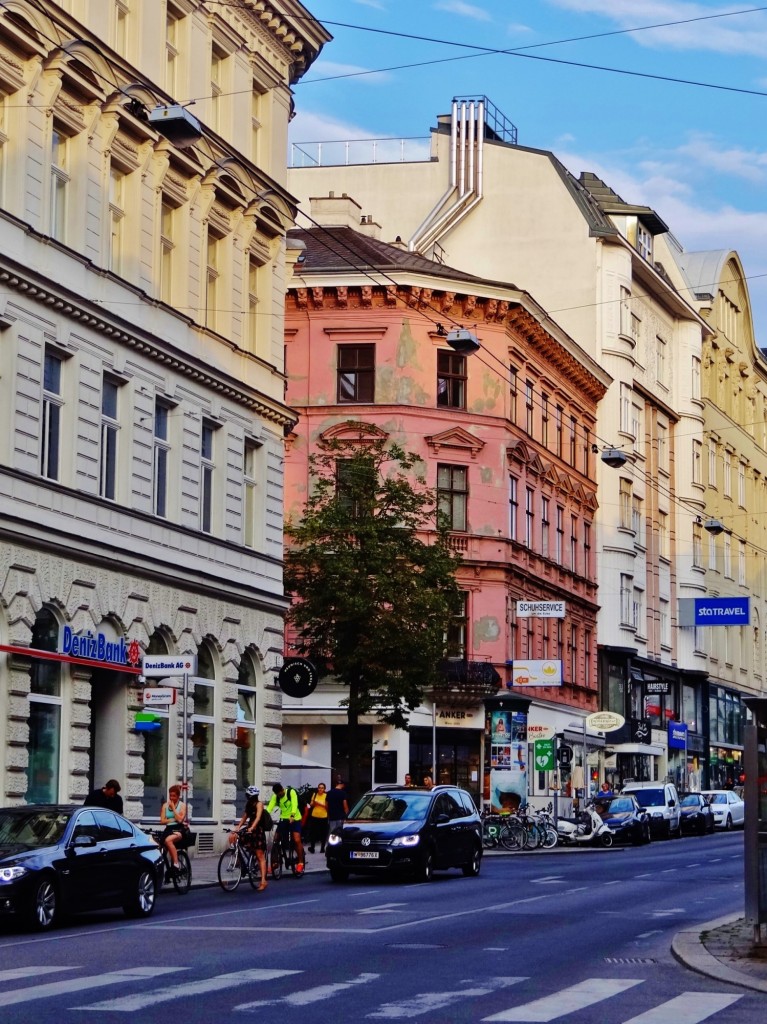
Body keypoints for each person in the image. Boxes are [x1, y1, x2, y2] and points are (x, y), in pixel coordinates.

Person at [230, 785, 267, 891]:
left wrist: (252, 827)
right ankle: (239, 861)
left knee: (260, 855)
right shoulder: (249, 804)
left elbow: (258, 817)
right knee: (234, 838)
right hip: (250, 827)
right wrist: (237, 827)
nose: (248, 797)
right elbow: (245, 817)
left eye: (249, 795)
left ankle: (263, 881)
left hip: (257, 829)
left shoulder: (259, 804)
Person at [266, 783, 305, 874]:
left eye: (280, 793)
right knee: (276, 839)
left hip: (295, 818)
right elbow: (269, 808)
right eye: (278, 794)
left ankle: (300, 862)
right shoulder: (275, 797)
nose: (280, 795)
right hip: (283, 819)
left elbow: (295, 804)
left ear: (283, 789)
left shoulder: (291, 792)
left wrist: (292, 815)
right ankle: (275, 862)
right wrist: (264, 817)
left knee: (296, 839)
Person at [160, 784, 188, 874]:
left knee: (168, 840)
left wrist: (173, 809)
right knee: (161, 850)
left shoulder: (182, 805)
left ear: (178, 796)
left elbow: (180, 820)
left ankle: (176, 863)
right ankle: (167, 871)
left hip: (179, 829)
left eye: (174, 796)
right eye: (170, 795)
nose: (172, 798)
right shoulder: (165, 805)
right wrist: (172, 819)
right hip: (168, 829)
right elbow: (162, 820)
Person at [307, 782, 329, 854]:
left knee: (323, 833)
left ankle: (322, 848)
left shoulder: (326, 795)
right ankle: (312, 847)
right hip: (314, 815)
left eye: (322, 788)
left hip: (323, 816)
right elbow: (311, 804)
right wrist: (312, 803)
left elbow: (327, 807)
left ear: (324, 789)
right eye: (319, 788)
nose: (320, 789)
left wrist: (318, 804)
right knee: (313, 832)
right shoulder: (315, 794)